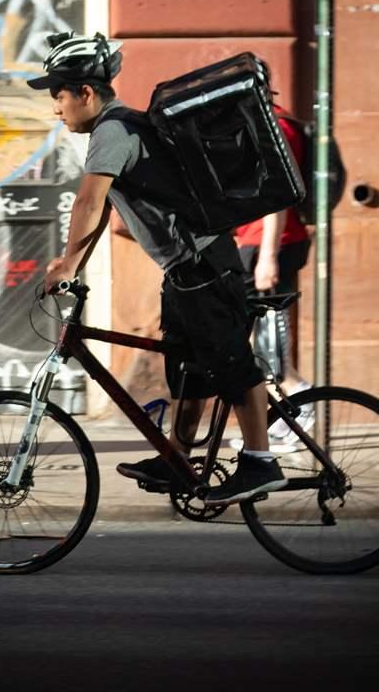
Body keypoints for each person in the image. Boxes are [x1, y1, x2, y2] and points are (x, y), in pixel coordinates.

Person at [36, 32, 286, 505]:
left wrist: (68, 262)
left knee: (231, 362)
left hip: (206, 264)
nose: (56, 108)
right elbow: (106, 208)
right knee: (188, 370)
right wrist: (74, 264)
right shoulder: (120, 129)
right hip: (185, 271)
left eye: (59, 96)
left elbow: (89, 199)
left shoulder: (113, 130)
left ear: (85, 93)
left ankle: (260, 461)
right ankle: (177, 458)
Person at [230, 58, 315, 453]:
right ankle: (283, 418)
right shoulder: (270, 124)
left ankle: (300, 399)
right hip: (258, 243)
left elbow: (277, 197)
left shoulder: (276, 129)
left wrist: (266, 257)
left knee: (266, 340)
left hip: (270, 245)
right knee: (253, 339)